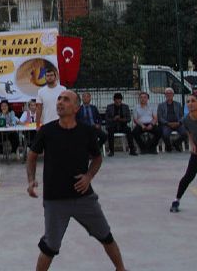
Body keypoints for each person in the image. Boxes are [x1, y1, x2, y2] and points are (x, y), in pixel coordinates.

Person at [26, 90, 126, 271]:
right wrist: (31, 180)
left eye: (65, 99)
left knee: (106, 236)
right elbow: (32, 156)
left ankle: (121, 268)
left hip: (83, 198)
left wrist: (88, 177)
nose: (60, 102)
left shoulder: (86, 131)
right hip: (55, 200)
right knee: (50, 247)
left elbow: (97, 158)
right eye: (59, 99)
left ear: (76, 108)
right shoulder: (47, 131)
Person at [157, 88, 186, 152]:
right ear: (165, 95)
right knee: (165, 134)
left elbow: (182, 115)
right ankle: (169, 146)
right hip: (167, 124)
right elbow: (160, 117)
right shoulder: (161, 105)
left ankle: (176, 143)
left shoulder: (178, 104)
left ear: (173, 95)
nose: (169, 95)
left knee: (185, 133)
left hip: (177, 123)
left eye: (170, 93)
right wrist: (167, 123)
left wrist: (179, 122)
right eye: (167, 93)